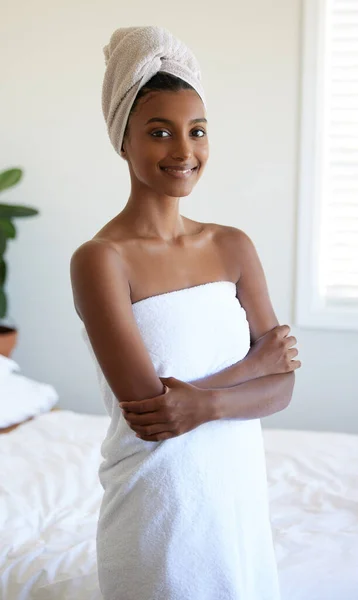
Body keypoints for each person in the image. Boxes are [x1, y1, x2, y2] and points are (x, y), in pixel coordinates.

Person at [70, 25, 301, 600]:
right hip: (158, 507)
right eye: (159, 132)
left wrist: (209, 400)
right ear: (123, 141)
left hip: (236, 502)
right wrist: (255, 366)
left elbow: (284, 389)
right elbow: (154, 414)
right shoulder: (101, 260)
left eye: (197, 131)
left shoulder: (232, 246)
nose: (183, 150)